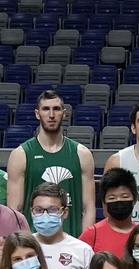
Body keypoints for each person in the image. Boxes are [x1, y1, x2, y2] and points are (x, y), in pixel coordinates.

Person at [7, 90, 96, 237]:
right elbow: (15, 210)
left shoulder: (82, 154)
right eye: (46, 109)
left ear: (64, 113)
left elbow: (88, 208)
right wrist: (22, 245)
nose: (51, 115)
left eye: (56, 109)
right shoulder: (21, 154)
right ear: (37, 114)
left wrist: (84, 244)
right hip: (33, 244)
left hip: (71, 242)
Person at [79, 167, 138, 258]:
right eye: (112, 198)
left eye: (124, 197)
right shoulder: (91, 234)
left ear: (135, 199)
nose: (119, 201)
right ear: (104, 203)